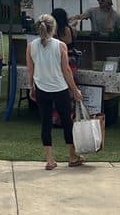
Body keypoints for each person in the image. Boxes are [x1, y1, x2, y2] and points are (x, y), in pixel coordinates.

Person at [27, 13, 85, 170]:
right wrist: (75, 89)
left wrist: (31, 86)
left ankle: (50, 160)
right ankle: (72, 156)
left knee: (45, 123)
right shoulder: (60, 46)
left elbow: (30, 70)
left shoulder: (31, 46)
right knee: (67, 121)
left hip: (41, 88)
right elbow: (66, 70)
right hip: (60, 88)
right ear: (54, 28)